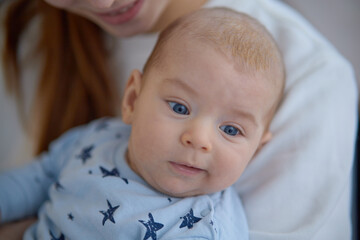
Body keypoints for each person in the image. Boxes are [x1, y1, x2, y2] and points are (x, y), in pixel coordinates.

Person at [0, 0, 357, 239]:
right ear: (132, 100)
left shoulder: (210, 224)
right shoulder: (94, 140)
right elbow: (33, 179)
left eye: (231, 130)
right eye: (179, 108)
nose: (199, 139)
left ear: (258, 146)